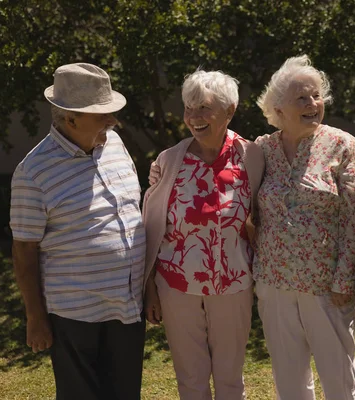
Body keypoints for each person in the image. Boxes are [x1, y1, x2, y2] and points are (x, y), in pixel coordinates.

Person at [9, 63, 146, 400]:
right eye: (103, 115)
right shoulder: (33, 172)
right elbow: (24, 252)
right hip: (75, 313)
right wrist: (35, 317)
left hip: (127, 306)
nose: (112, 121)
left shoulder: (114, 143)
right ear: (70, 119)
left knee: (124, 394)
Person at [143, 69, 264, 400]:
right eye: (188, 108)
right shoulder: (169, 161)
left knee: (230, 380)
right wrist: (151, 287)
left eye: (204, 108)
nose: (194, 117)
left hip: (234, 283)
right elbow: (152, 227)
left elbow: (263, 215)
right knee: (190, 379)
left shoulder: (251, 156)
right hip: (176, 285)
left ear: (230, 111)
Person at [253, 55, 355, 400]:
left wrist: (345, 278)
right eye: (302, 97)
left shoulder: (342, 145)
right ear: (278, 108)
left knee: (338, 379)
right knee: (288, 379)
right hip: (273, 282)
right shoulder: (261, 149)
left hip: (326, 285)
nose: (313, 104)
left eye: (316, 96)